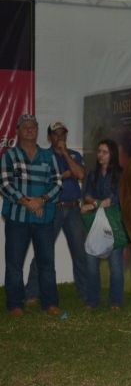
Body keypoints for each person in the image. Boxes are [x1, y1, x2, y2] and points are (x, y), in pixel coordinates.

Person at [1, 115, 62, 315]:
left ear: (38, 131)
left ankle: (50, 303)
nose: (29, 130)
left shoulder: (49, 156)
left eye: (33, 127)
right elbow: (5, 184)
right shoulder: (9, 156)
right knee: (15, 265)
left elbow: (57, 184)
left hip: (43, 219)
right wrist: (28, 202)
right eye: (25, 127)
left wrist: (41, 200)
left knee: (46, 263)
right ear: (17, 131)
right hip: (17, 219)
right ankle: (15, 305)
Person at [25, 121, 88, 306]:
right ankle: (31, 294)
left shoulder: (74, 155)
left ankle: (85, 295)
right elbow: (44, 181)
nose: (60, 138)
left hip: (74, 208)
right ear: (49, 137)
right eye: (56, 134)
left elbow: (81, 174)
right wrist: (65, 174)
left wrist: (66, 154)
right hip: (53, 208)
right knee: (43, 251)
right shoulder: (44, 155)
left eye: (63, 134)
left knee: (80, 254)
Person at [81, 139, 124, 310]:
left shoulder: (120, 174)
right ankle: (92, 301)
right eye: (99, 151)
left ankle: (115, 302)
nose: (100, 155)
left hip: (114, 223)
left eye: (104, 152)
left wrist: (94, 205)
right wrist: (96, 203)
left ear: (112, 154)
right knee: (91, 261)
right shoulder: (93, 173)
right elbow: (88, 195)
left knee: (115, 265)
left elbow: (116, 199)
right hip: (96, 223)